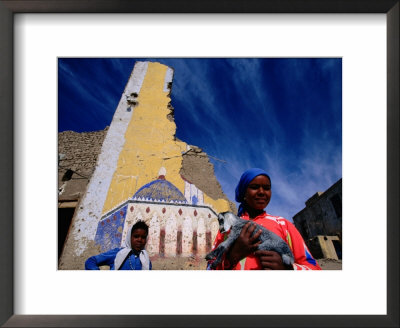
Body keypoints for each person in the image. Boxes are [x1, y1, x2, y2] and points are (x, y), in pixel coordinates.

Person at [207, 168, 321, 270]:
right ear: (244, 194)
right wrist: (233, 256)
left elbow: (313, 267)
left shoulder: (284, 225)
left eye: (266, 188)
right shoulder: (228, 229)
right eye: (254, 187)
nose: (261, 192)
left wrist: (288, 268)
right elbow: (209, 267)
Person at [85, 220, 152, 270]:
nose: (139, 240)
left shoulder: (146, 260)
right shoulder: (118, 253)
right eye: (136, 236)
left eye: (143, 237)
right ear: (129, 237)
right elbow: (91, 261)